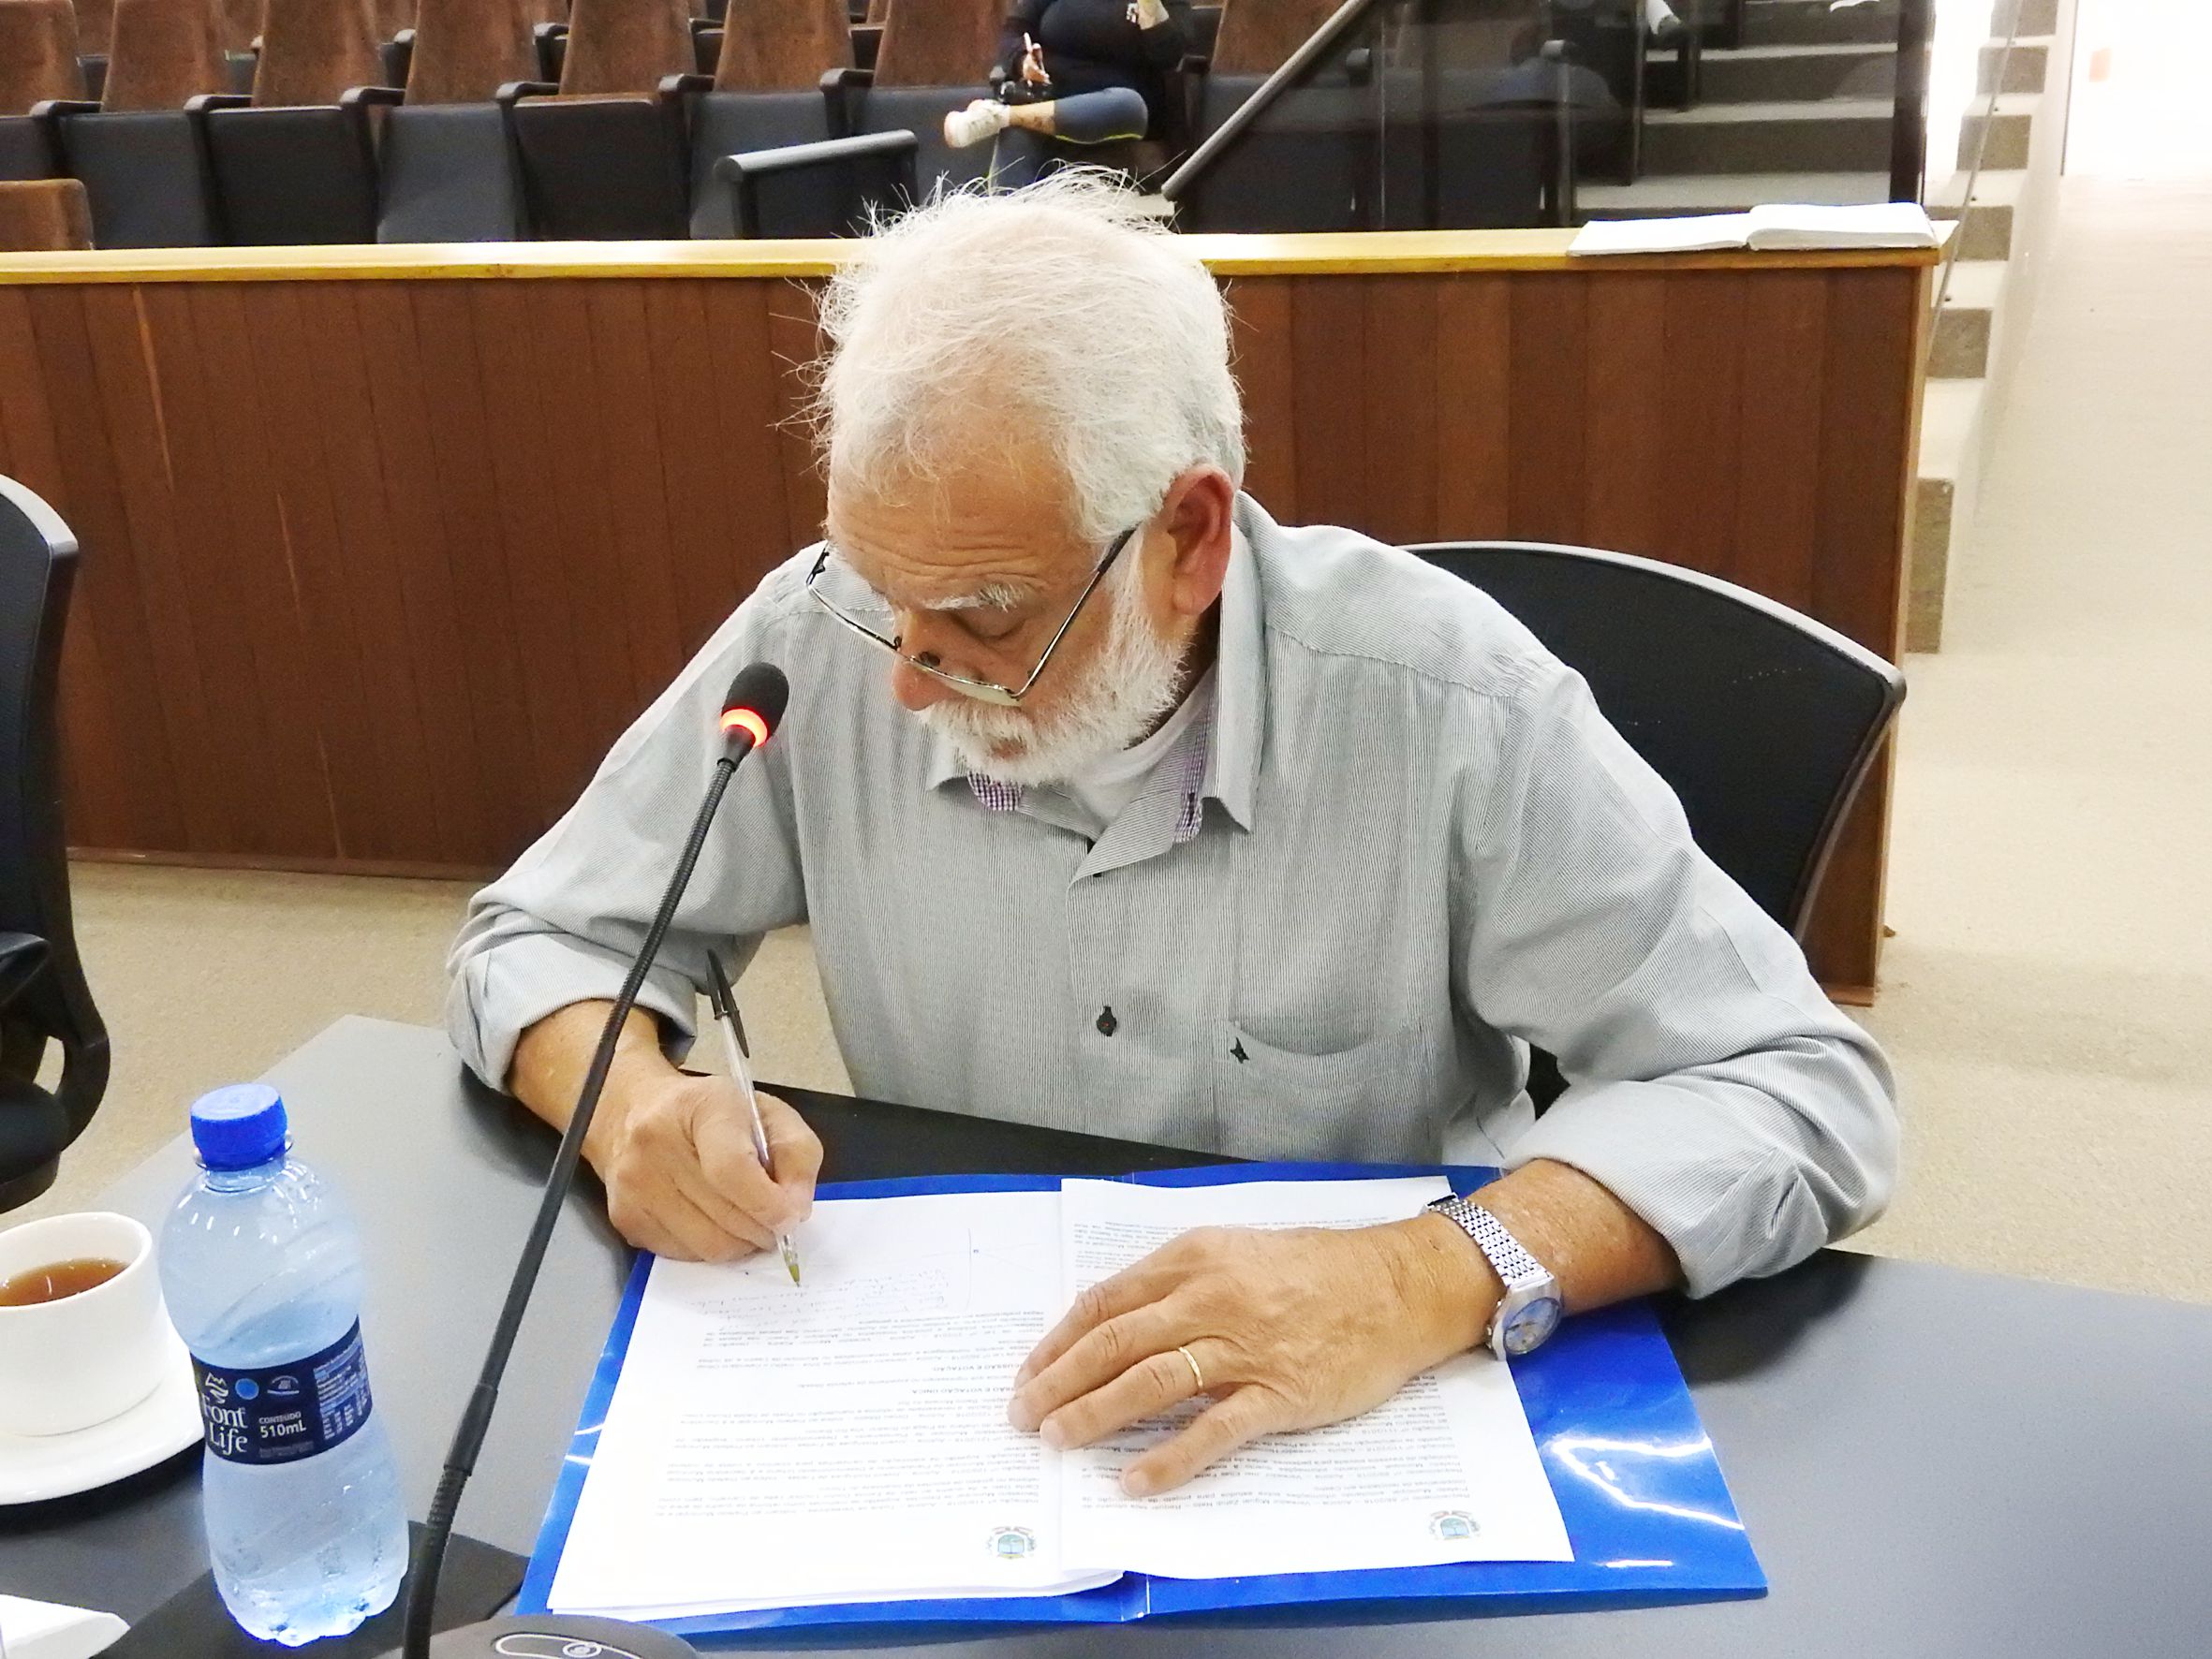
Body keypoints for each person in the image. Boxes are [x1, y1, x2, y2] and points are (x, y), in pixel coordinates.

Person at [448, 173, 1897, 1499]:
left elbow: (1792, 1084)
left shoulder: (1448, 706)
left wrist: (1421, 1277)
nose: (909, 680)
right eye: (885, 596)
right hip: (966, 1401)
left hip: (1373, 1420)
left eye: (987, 617)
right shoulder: (823, 635)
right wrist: (630, 1103)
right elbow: (540, 934)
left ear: (1190, 537)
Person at [943, 0, 1191, 150]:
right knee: (1019, 135)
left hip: (1119, 108)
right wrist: (1023, 62)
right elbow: (1012, 33)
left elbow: (1169, 55)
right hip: (1051, 95)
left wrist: (1149, 6)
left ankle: (1001, 116)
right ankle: (1004, 219)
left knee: (1129, 105)